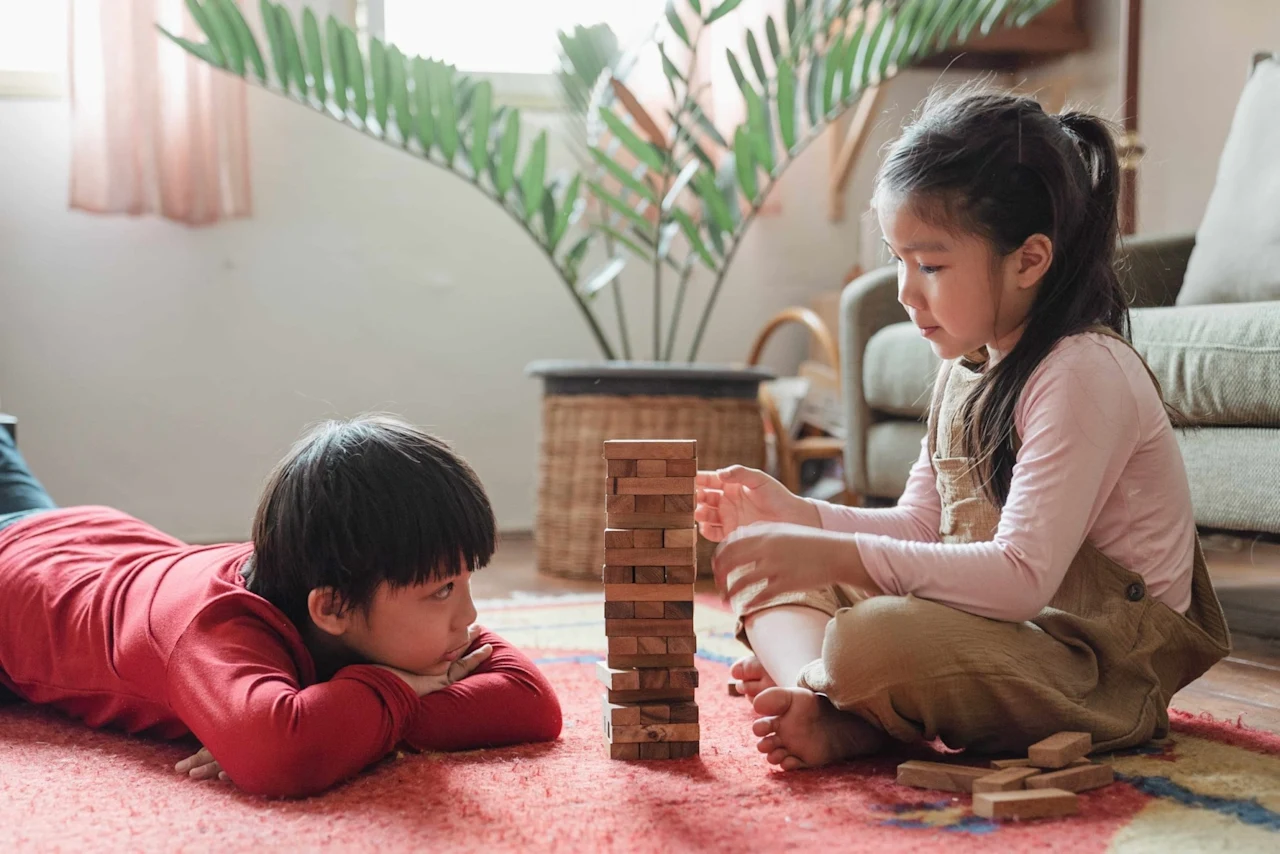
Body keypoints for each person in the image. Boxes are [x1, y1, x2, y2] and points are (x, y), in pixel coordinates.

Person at [697, 86, 1229, 771]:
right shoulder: (970, 361)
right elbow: (923, 527)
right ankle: (823, 698)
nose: (903, 291)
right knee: (764, 571)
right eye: (896, 258)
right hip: (998, 629)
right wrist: (796, 518)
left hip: (1094, 667)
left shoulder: (1083, 372)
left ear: (1029, 261)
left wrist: (832, 556)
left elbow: (1021, 579)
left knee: (871, 639)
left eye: (931, 265)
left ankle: (837, 697)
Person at [0, 415, 561, 797]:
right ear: (332, 609)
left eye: (464, 583)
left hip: (88, 535)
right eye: (442, 590)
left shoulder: (340, 577)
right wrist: (398, 688)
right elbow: (281, 755)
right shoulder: (210, 629)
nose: (468, 618)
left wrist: (346, 719)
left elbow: (532, 703)